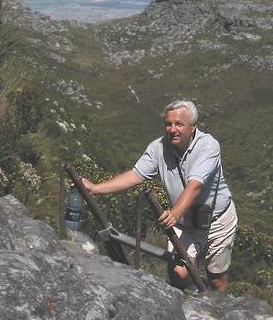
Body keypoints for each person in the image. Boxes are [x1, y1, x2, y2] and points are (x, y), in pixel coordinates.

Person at [81, 99, 238, 292]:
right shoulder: (158, 148)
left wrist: (173, 213)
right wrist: (95, 188)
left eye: (179, 124)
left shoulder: (208, 146)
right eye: (168, 124)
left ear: (193, 127)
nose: (172, 129)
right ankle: (196, 296)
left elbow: (195, 185)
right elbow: (135, 175)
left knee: (217, 278)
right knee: (179, 274)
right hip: (185, 223)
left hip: (217, 221)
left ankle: (218, 310)